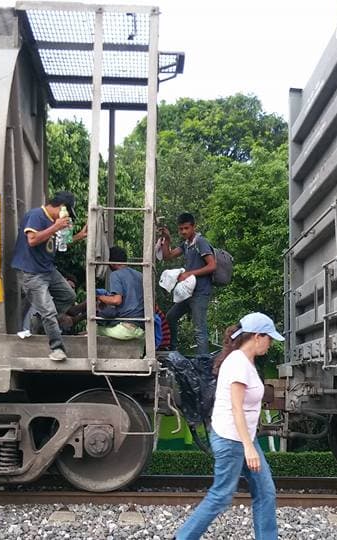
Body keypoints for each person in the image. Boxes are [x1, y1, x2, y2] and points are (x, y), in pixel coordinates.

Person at [175, 312, 284, 540]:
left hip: (242, 438)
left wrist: (248, 443)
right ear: (257, 336)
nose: (270, 344)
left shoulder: (245, 361)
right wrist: (249, 447)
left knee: (265, 492)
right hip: (231, 440)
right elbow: (236, 408)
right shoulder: (238, 364)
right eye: (269, 338)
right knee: (221, 495)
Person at [10, 191, 87, 361]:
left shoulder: (53, 223)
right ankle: (57, 348)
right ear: (62, 208)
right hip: (32, 272)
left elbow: (59, 245)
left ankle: (41, 319)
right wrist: (55, 227)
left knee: (68, 296)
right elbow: (32, 240)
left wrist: (79, 236)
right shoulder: (37, 215)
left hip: (47, 270)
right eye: (68, 213)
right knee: (49, 311)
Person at [159, 212, 216, 356]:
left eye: (186, 228)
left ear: (193, 227)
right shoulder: (186, 244)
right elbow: (167, 256)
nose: (183, 231)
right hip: (188, 292)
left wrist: (189, 274)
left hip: (200, 292)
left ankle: (203, 363)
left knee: (199, 329)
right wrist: (167, 239)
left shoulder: (200, 242)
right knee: (171, 317)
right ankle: (173, 351)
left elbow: (212, 266)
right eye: (181, 229)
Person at [97, 246, 146, 340]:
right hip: (141, 329)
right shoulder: (140, 275)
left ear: (111, 263)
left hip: (126, 329)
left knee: (92, 328)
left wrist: (99, 297)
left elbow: (116, 300)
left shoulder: (116, 274)